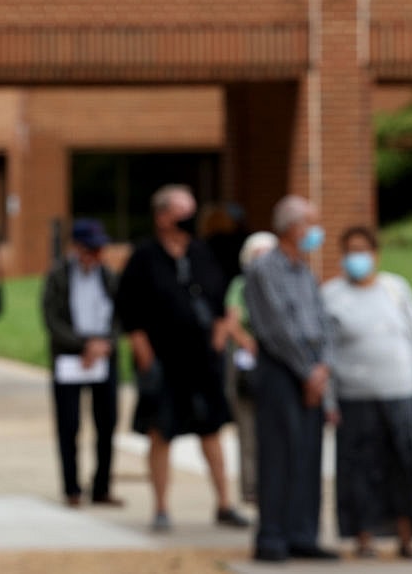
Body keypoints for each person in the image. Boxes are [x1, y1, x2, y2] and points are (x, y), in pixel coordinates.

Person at [116, 184, 248, 532]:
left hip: (202, 358)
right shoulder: (144, 257)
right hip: (164, 359)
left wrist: (222, 328)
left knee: (211, 430)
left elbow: (223, 296)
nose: (188, 219)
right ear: (162, 217)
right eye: (181, 213)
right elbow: (128, 308)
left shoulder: (202, 253)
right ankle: (161, 507)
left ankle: (224, 503)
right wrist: (142, 349)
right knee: (161, 431)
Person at [322, 225, 412, 560]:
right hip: (354, 395)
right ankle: (364, 536)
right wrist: (329, 399)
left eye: (363, 250)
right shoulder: (331, 294)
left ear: (375, 254)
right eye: (350, 251)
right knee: (360, 468)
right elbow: (325, 351)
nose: (356, 257)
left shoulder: (395, 288)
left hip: (398, 389)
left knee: (402, 465)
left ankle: (407, 536)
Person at [243, 195, 339, 562]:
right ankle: (273, 536)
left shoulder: (305, 271)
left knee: (308, 455)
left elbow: (324, 322)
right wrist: (306, 372)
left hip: (312, 371)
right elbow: (276, 328)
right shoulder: (264, 269)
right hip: (281, 370)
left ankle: (303, 534)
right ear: (293, 228)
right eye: (311, 223)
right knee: (279, 454)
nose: (316, 231)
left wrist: (322, 368)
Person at [41, 218, 123, 508]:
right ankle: (71, 487)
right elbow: (52, 319)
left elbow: (120, 314)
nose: (95, 256)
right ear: (76, 248)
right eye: (90, 250)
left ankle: (102, 486)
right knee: (69, 424)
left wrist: (104, 344)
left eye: (99, 250)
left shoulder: (109, 277)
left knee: (107, 423)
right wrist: (83, 345)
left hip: (104, 355)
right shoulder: (58, 276)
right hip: (70, 356)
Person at [222, 230, 278, 506]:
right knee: (248, 428)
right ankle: (252, 487)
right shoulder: (240, 285)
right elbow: (231, 323)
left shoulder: (283, 284)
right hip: (248, 361)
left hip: (276, 361)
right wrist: (252, 343)